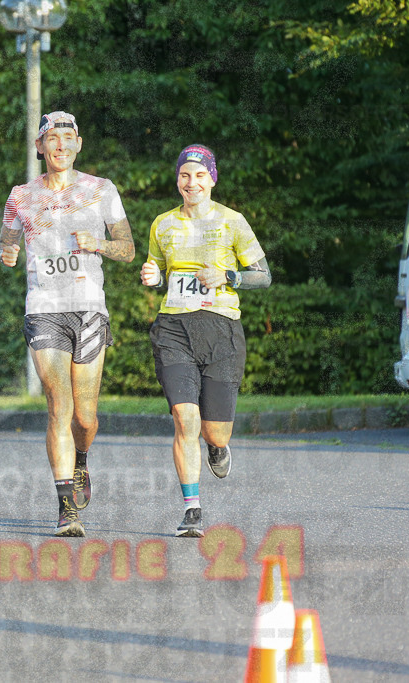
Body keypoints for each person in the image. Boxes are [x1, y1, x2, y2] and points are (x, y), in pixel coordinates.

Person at [0, 111, 135, 537]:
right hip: (44, 308)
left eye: (67, 138)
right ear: (39, 147)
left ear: (79, 144)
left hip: (89, 307)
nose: (59, 145)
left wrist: (100, 244)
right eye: (51, 139)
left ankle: (81, 460)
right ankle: (64, 509)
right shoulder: (21, 195)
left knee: (86, 416)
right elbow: (6, 239)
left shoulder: (101, 189)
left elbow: (128, 249)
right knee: (59, 404)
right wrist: (7, 253)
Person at [140, 144, 272, 538]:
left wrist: (230, 277)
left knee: (215, 432)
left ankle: (217, 448)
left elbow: (262, 275)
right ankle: (192, 510)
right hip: (174, 328)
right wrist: (153, 277)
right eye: (185, 175)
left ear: (212, 178)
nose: (191, 182)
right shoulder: (162, 224)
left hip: (221, 330)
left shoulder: (233, 221)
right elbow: (159, 271)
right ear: (177, 179)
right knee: (185, 418)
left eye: (199, 175)